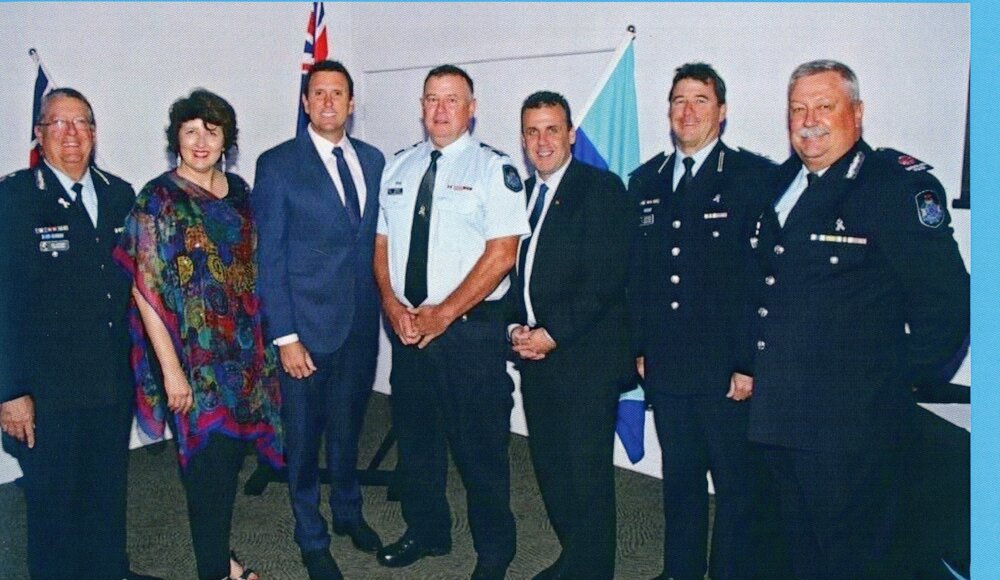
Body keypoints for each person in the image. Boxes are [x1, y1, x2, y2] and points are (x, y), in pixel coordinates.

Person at [745, 60, 970, 578]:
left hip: (853, 429)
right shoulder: (782, 183)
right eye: (798, 108)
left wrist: (888, 384)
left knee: (857, 560)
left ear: (858, 113)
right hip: (780, 418)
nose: (809, 120)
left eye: (824, 106)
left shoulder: (893, 187)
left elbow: (949, 304)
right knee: (797, 553)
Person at [114, 89, 283, 580]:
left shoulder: (242, 192)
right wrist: (171, 373)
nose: (201, 140)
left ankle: (222, 562)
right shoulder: (158, 199)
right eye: (190, 131)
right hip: (192, 361)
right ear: (176, 141)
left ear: (227, 138)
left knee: (226, 467)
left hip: (246, 356)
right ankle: (215, 570)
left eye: (211, 130)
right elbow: (144, 289)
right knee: (206, 470)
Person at [373, 64, 528, 580]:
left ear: (472, 107)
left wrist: (444, 313)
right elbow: (383, 246)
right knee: (416, 444)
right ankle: (428, 531)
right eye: (431, 99)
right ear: (421, 107)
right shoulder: (397, 168)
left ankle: (494, 550)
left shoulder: (494, 169)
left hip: (469, 333)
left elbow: (502, 254)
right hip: (410, 329)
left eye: (452, 100)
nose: (440, 110)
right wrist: (393, 306)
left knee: (480, 449)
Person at [0, 88, 159, 580]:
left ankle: (111, 570)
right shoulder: (14, 198)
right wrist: (10, 391)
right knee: (53, 500)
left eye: (82, 123)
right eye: (58, 124)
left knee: (106, 488)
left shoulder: (119, 194)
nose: (72, 134)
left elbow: (139, 285)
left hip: (111, 378)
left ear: (94, 133)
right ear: (38, 134)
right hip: (48, 388)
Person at [628, 63, 777, 580]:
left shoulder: (753, 178)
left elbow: (764, 280)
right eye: (678, 100)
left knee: (737, 487)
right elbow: (641, 277)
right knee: (681, 481)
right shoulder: (645, 181)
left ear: (723, 110)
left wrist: (749, 363)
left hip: (725, 370)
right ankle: (680, 572)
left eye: (700, 99)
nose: (687, 111)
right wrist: (640, 348)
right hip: (667, 366)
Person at [252, 59, 385, 580]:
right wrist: (285, 336)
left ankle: (349, 513)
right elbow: (271, 257)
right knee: (304, 439)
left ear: (352, 104)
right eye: (318, 93)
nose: (328, 102)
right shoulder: (278, 164)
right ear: (306, 103)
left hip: (358, 326)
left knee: (350, 429)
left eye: (338, 93)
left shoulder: (374, 161)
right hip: (304, 332)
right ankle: (309, 534)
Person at [508, 91, 634, 580]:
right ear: (523, 138)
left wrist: (552, 333)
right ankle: (574, 558)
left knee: (587, 477)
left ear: (571, 136)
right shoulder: (520, 193)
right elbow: (512, 274)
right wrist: (514, 328)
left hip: (584, 360)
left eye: (552, 130)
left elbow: (605, 278)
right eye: (532, 131)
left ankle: (594, 569)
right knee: (551, 470)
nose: (542, 141)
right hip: (535, 360)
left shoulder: (600, 190)